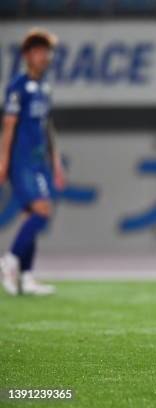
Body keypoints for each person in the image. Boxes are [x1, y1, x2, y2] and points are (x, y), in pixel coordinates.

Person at [0, 28, 65, 296]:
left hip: (39, 162)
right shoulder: (18, 86)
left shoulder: (43, 88)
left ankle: (26, 277)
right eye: (37, 51)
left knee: (30, 215)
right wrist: (3, 162)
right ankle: (10, 260)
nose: (43, 56)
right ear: (27, 55)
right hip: (22, 160)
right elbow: (9, 126)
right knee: (42, 211)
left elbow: (48, 128)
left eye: (46, 51)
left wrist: (56, 162)